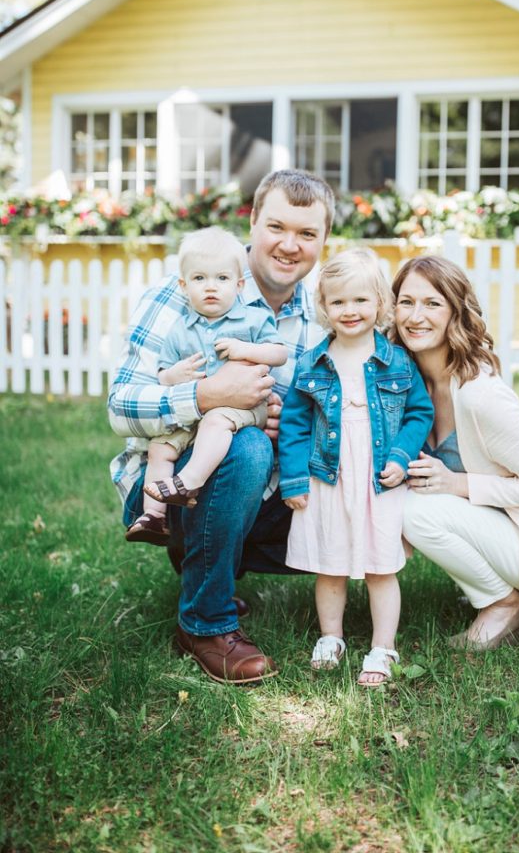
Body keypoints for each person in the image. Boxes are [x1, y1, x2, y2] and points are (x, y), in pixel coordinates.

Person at [108, 169, 335, 684]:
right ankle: (204, 624)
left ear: (324, 241)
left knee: (325, 483)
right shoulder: (187, 290)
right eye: (277, 226)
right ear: (252, 222)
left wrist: (299, 420)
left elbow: (348, 408)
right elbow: (120, 403)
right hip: (165, 489)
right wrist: (207, 395)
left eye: (307, 233)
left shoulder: (325, 309)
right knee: (248, 445)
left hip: (274, 489)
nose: (289, 245)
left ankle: (205, 556)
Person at [392, 256, 519, 649]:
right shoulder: (406, 384)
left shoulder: (480, 395)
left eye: (432, 304)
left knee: (413, 510)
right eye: (406, 302)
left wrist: (459, 483)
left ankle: (505, 602)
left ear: (456, 314)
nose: (416, 316)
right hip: (491, 528)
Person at [279, 250, 434, 686]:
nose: (350, 311)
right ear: (324, 307)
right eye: (339, 302)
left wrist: (402, 458)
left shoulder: (397, 361)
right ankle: (332, 636)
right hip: (328, 474)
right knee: (330, 563)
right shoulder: (313, 362)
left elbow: (418, 414)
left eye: (361, 301)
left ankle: (383, 646)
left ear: (381, 304)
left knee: (380, 565)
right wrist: (293, 477)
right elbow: (293, 423)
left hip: (378, 477)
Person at [125, 227, 287, 545]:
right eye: (200, 279)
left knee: (217, 421)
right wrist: (175, 375)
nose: (211, 287)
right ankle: (154, 516)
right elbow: (161, 374)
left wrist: (245, 351)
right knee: (160, 447)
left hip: (243, 408)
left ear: (239, 285)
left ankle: (190, 481)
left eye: (222, 279)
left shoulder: (253, 320)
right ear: (184, 286)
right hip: (194, 412)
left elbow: (278, 353)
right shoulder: (179, 329)